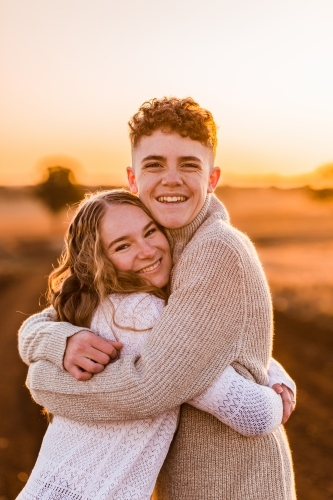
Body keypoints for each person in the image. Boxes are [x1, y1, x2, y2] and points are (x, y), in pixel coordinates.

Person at [19, 97, 296, 499]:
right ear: (132, 180)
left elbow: (149, 387)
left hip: (232, 485)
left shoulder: (214, 249)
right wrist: (57, 340)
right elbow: (196, 336)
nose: (171, 179)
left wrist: (44, 380)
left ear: (212, 178)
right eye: (154, 165)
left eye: (188, 164)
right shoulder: (163, 244)